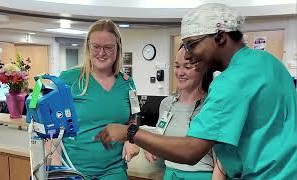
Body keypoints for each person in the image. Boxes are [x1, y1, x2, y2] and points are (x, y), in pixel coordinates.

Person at [95, 3, 297, 179]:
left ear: (220, 37)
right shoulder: (269, 62)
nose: (189, 55)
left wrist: (130, 133)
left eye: (192, 45)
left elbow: (191, 151)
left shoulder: (231, 81)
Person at [56, 19, 139, 180]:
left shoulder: (127, 82)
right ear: (88, 47)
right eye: (96, 47)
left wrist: (132, 139)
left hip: (114, 171)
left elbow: (134, 118)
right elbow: (53, 129)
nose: (102, 53)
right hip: (73, 171)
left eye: (108, 47)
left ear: (118, 48)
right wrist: (56, 167)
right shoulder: (68, 79)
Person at [143, 45, 224, 180]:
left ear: (204, 69)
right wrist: (150, 147)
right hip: (170, 174)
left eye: (187, 67)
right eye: (177, 66)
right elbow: (160, 138)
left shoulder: (211, 107)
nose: (180, 73)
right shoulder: (166, 104)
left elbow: (220, 163)